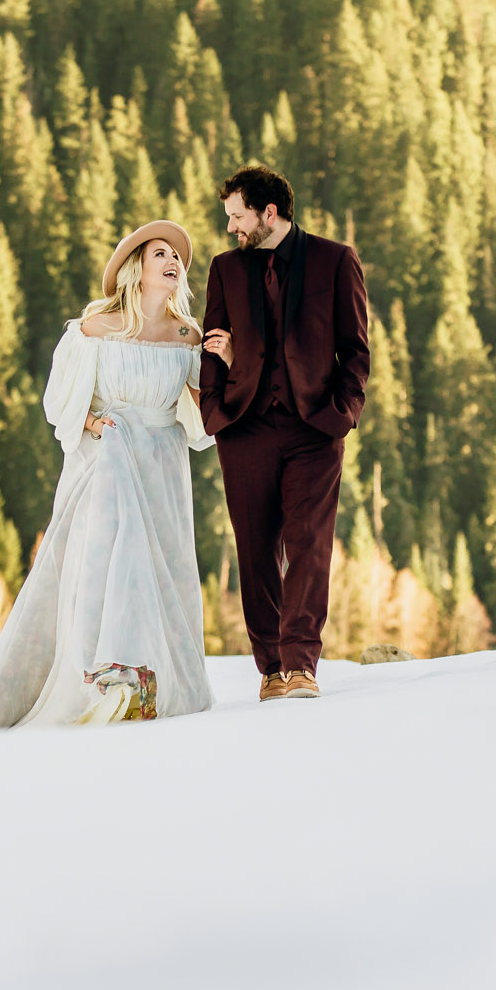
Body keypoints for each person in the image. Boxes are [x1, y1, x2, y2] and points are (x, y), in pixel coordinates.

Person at [0, 221, 215, 729]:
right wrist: (94, 424)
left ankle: (154, 680)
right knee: (108, 559)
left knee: (163, 570)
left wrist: (227, 363)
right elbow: (58, 403)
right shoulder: (94, 329)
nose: (174, 261)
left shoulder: (187, 336)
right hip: (107, 459)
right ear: (138, 266)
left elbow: (207, 415)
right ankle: (106, 670)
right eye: (161, 253)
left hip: (163, 464)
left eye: (178, 256)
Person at [200, 165, 371, 702]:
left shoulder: (334, 260)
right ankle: (270, 668)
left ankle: (301, 665)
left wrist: (342, 412)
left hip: (315, 428)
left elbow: (356, 350)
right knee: (254, 550)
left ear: (268, 213)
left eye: (237, 216)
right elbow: (211, 343)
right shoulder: (225, 269)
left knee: (309, 544)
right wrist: (214, 412)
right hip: (244, 427)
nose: (230, 228)